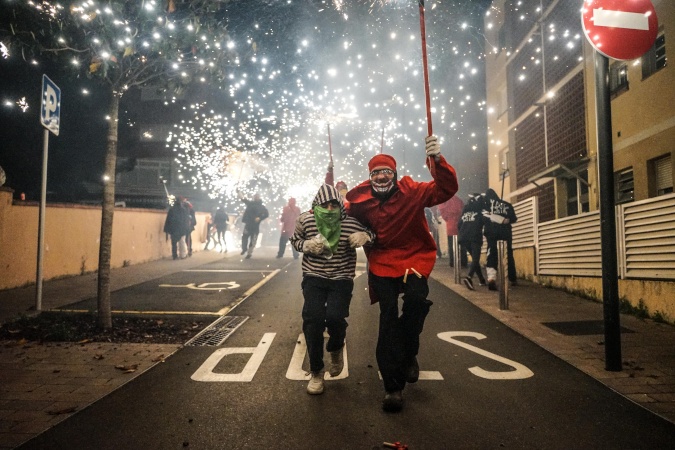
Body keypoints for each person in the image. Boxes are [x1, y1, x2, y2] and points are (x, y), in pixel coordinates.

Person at [345, 135, 458, 412]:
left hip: (414, 258)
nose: (381, 178)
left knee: (417, 303)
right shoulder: (360, 200)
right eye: (375, 173)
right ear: (369, 176)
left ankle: (409, 353)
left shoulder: (413, 191)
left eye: (386, 173)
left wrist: (438, 161)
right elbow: (335, 213)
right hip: (383, 261)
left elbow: (445, 190)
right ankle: (392, 387)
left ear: (394, 175)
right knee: (387, 317)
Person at [290, 184, 375, 395]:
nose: (329, 209)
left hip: (341, 278)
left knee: (336, 317)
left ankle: (336, 347)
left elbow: (374, 233)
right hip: (314, 277)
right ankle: (316, 371)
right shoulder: (305, 220)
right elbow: (295, 240)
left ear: (340, 206)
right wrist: (306, 245)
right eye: (324, 205)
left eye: (333, 205)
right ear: (316, 205)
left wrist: (365, 237)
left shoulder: (351, 223)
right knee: (313, 320)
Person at [482, 188, 518, 290]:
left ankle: (492, 278)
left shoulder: (486, 206)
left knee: (492, 254)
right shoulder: (506, 205)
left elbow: (483, 219)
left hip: (491, 234)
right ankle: (512, 278)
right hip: (505, 233)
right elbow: (514, 219)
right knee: (508, 255)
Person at [457, 193, 487, 290]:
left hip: (464, 238)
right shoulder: (480, 212)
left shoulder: (465, 212)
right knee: (475, 259)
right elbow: (486, 222)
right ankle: (469, 277)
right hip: (475, 237)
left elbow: (459, 225)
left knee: (475, 259)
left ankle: (482, 279)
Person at [438, 195, 467, 267]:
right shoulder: (458, 199)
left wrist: (448, 219)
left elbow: (442, 210)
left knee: (451, 245)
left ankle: (453, 262)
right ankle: (463, 262)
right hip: (460, 225)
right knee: (461, 245)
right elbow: (463, 210)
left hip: (450, 225)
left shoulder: (446, 200)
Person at [239, 193, 269, 259]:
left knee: (252, 239)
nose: (256, 198)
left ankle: (249, 252)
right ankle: (245, 249)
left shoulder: (260, 206)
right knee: (245, 237)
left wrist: (260, 218)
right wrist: (239, 193)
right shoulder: (251, 204)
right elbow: (244, 200)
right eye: (255, 197)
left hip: (254, 225)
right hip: (250, 224)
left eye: (257, 197)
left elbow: (266, 214)